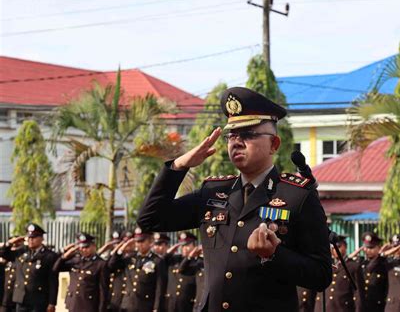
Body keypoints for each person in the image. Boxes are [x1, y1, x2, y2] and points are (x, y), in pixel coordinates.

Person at [138, 87, 332, 312]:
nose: (237, 142)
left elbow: (321, 275)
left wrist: (275, 254)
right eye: (232, 135)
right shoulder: (213, 192)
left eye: (248, 134)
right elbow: (151, 220)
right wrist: (178, 167)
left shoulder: (297, 196)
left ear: (274, 144)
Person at [0, 224, 59, 312]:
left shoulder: (49, 256)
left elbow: (52, 280)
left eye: (34, 237)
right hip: (21, 299)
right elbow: (3, 253)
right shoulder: (21, 251)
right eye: (29, 237)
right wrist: (10, 243)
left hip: (38, 301)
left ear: (42, 238)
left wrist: (52, 303)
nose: (31, 240)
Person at [108, 227, 165, 312]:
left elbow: (159, 287)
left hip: (145, 306)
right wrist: (121, 250)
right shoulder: (130, 258)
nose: (139, 244)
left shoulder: (157, 261)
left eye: (142, 241)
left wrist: (156, 308)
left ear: (150, 242)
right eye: (137, 241)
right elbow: (111, 266)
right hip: (127, 306)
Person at [53, 232, 109, 312]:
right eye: (81, 247)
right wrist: (64, 256)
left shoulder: (100, 264)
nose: (84, 250)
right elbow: (55, 269)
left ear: (94, 246)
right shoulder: (75, 261)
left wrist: (101, 309)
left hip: (89, 305)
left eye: (86, 247)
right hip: (73, 304)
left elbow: (103, 290)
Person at [315, 235, 361, 312]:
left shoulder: (353, 266)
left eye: (338, 246)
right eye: (332, 248)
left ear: (345, 247)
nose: (335, 250)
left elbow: (358, 294)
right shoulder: (326, 265)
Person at [353, 232, 388, 312]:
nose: (368, 250)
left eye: (371, 248)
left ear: (378, 248)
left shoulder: (384, 264)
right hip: (361, 306)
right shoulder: (360, 262)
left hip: (377, 307)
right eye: (366, 247)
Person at [164, 232, 199, 312]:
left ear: (194, 245)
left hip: (187, 305)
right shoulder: (175, 259)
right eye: (182, 246)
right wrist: (170, 251)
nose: (184, 248)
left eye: (187, 245)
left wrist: (190, 257)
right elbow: (161, 262)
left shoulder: (197, 262)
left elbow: (181, 269)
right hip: (171, 304)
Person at [107, 231, 134, 312]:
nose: (128, 244)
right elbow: (110, 266)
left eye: (130, 242)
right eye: (125, 242)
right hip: (116, 298)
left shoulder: (136, 257)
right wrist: (120, 249)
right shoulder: (118, 257)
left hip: (130, 298)